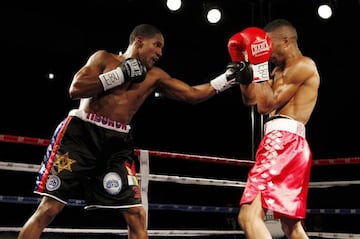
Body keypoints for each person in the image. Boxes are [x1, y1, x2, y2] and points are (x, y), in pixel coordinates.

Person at [17, 24, 251, 239]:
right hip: (81, 135)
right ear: (138, 41)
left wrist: (227, 79)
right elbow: (75, 89)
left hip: (116, 145)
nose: (160, 52)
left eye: (162, 48)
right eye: (156, 45)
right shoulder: (104, 58)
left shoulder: (155, 76)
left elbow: (191, 94)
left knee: (136, 215)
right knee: (49, 208)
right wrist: (119, 75)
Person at [227, 19, 320, 238]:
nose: (266, 52)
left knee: (248, 216)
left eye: (268, 44)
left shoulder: (303, 65)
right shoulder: (277, 70)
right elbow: (251, 99)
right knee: (290, 225)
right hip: (289, 144)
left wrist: (258, 66)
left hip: (282, 142)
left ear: (285, 41)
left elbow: (266, 105)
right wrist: (244, 68)